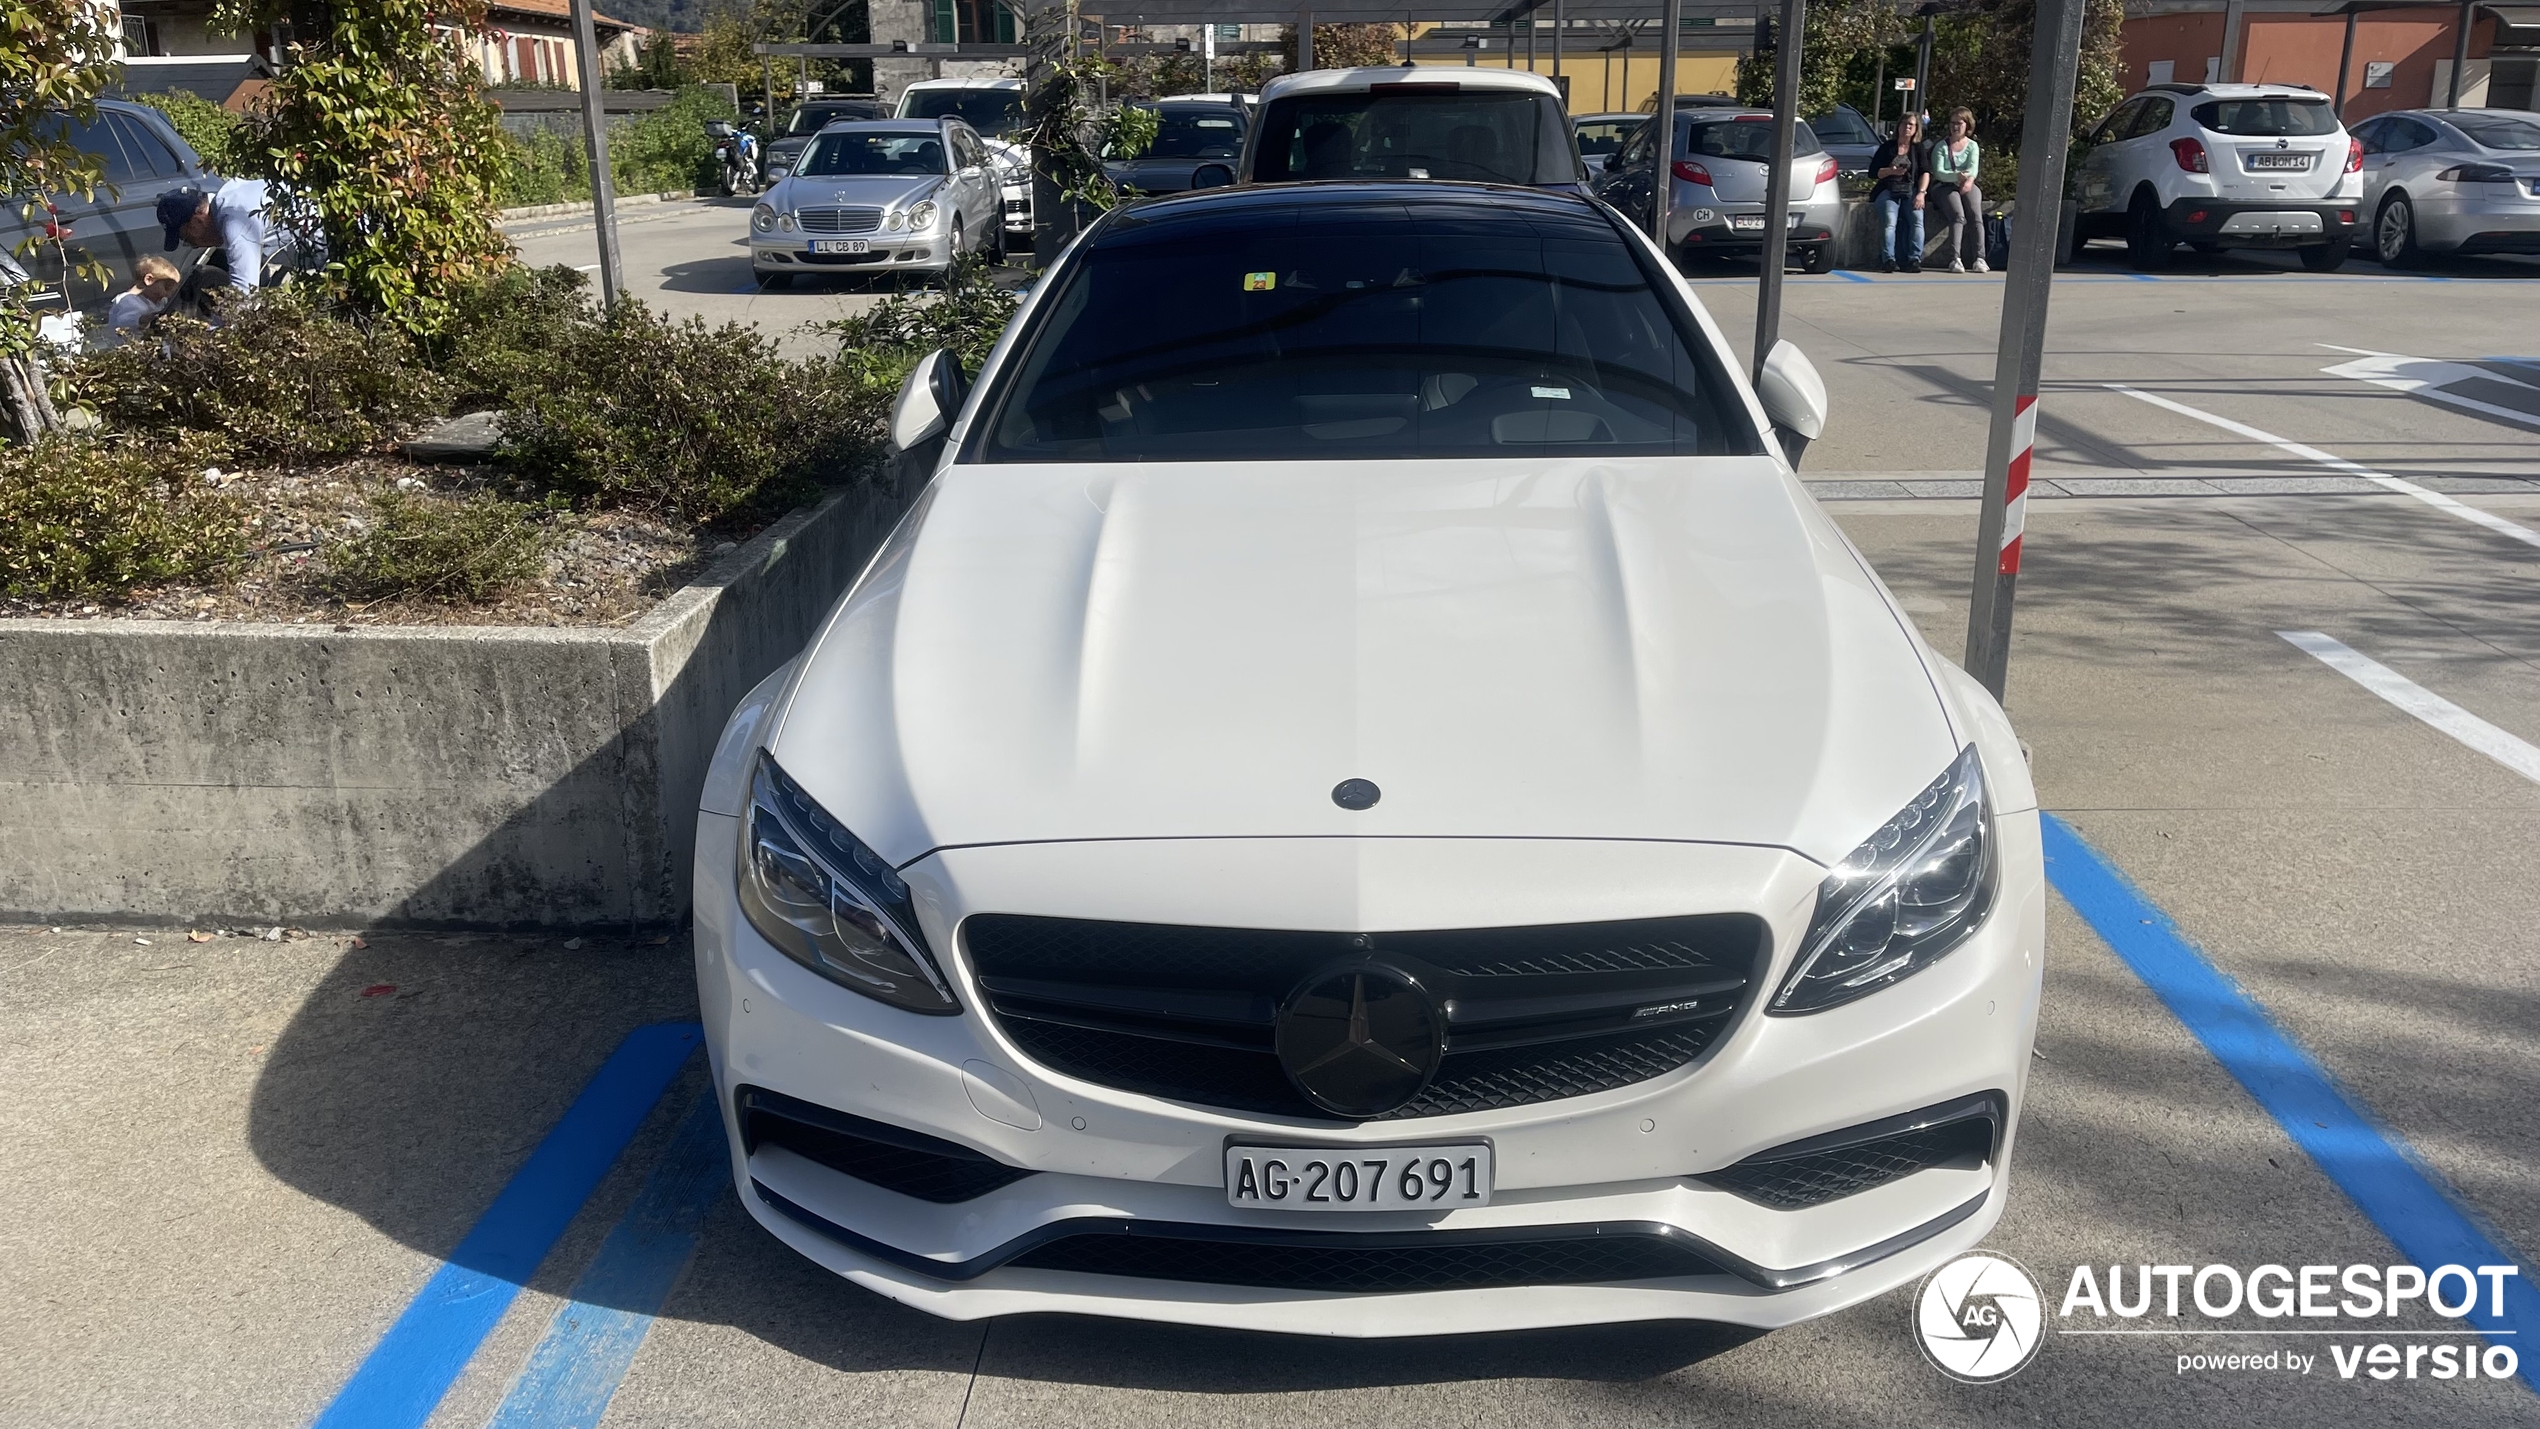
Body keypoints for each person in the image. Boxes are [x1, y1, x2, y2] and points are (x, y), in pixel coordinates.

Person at [155, 178, 296, 300]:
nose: (195, 245)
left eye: (187, 238)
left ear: (197, 220)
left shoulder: (235, 221)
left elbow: (244, 294)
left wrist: (212, 330)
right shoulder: (232, 197)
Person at [1924, 108, 1986, 274]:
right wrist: (1956, 177)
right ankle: (1955, 258)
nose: (1955, 127)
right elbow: (1939, 172)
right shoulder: (1941, 147)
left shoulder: (1972, 146)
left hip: (1967, 183)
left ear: (1967, 125)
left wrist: (1969, 181)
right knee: (1958, 215)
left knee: (1975, 214)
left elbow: (1973, 168)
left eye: (1959, 123)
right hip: (1945, 186)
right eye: (1952, 123)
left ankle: (1980, 258)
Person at [1868, 113, 1926, 274]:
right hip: (1888, 189)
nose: (1907, 127)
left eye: (1911, 125)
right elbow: (1873, 172)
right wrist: (1890, 171)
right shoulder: (1887, 147)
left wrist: (1921, 193)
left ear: (1916, 129)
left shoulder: (1918, 148)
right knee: (1890, 220)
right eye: (1904, 124)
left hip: (1910, 189)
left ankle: (1914, 258)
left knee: (1917, 218)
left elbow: (1925, 172)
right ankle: (1888, 259)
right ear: (1898, 126)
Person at [107, 255, 181, 337]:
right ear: (149, 280)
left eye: (173, 289)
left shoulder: (159, 300)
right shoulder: (129, 302)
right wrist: (144, 320)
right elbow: (125, 323)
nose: (169, 293)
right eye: (168, 287)